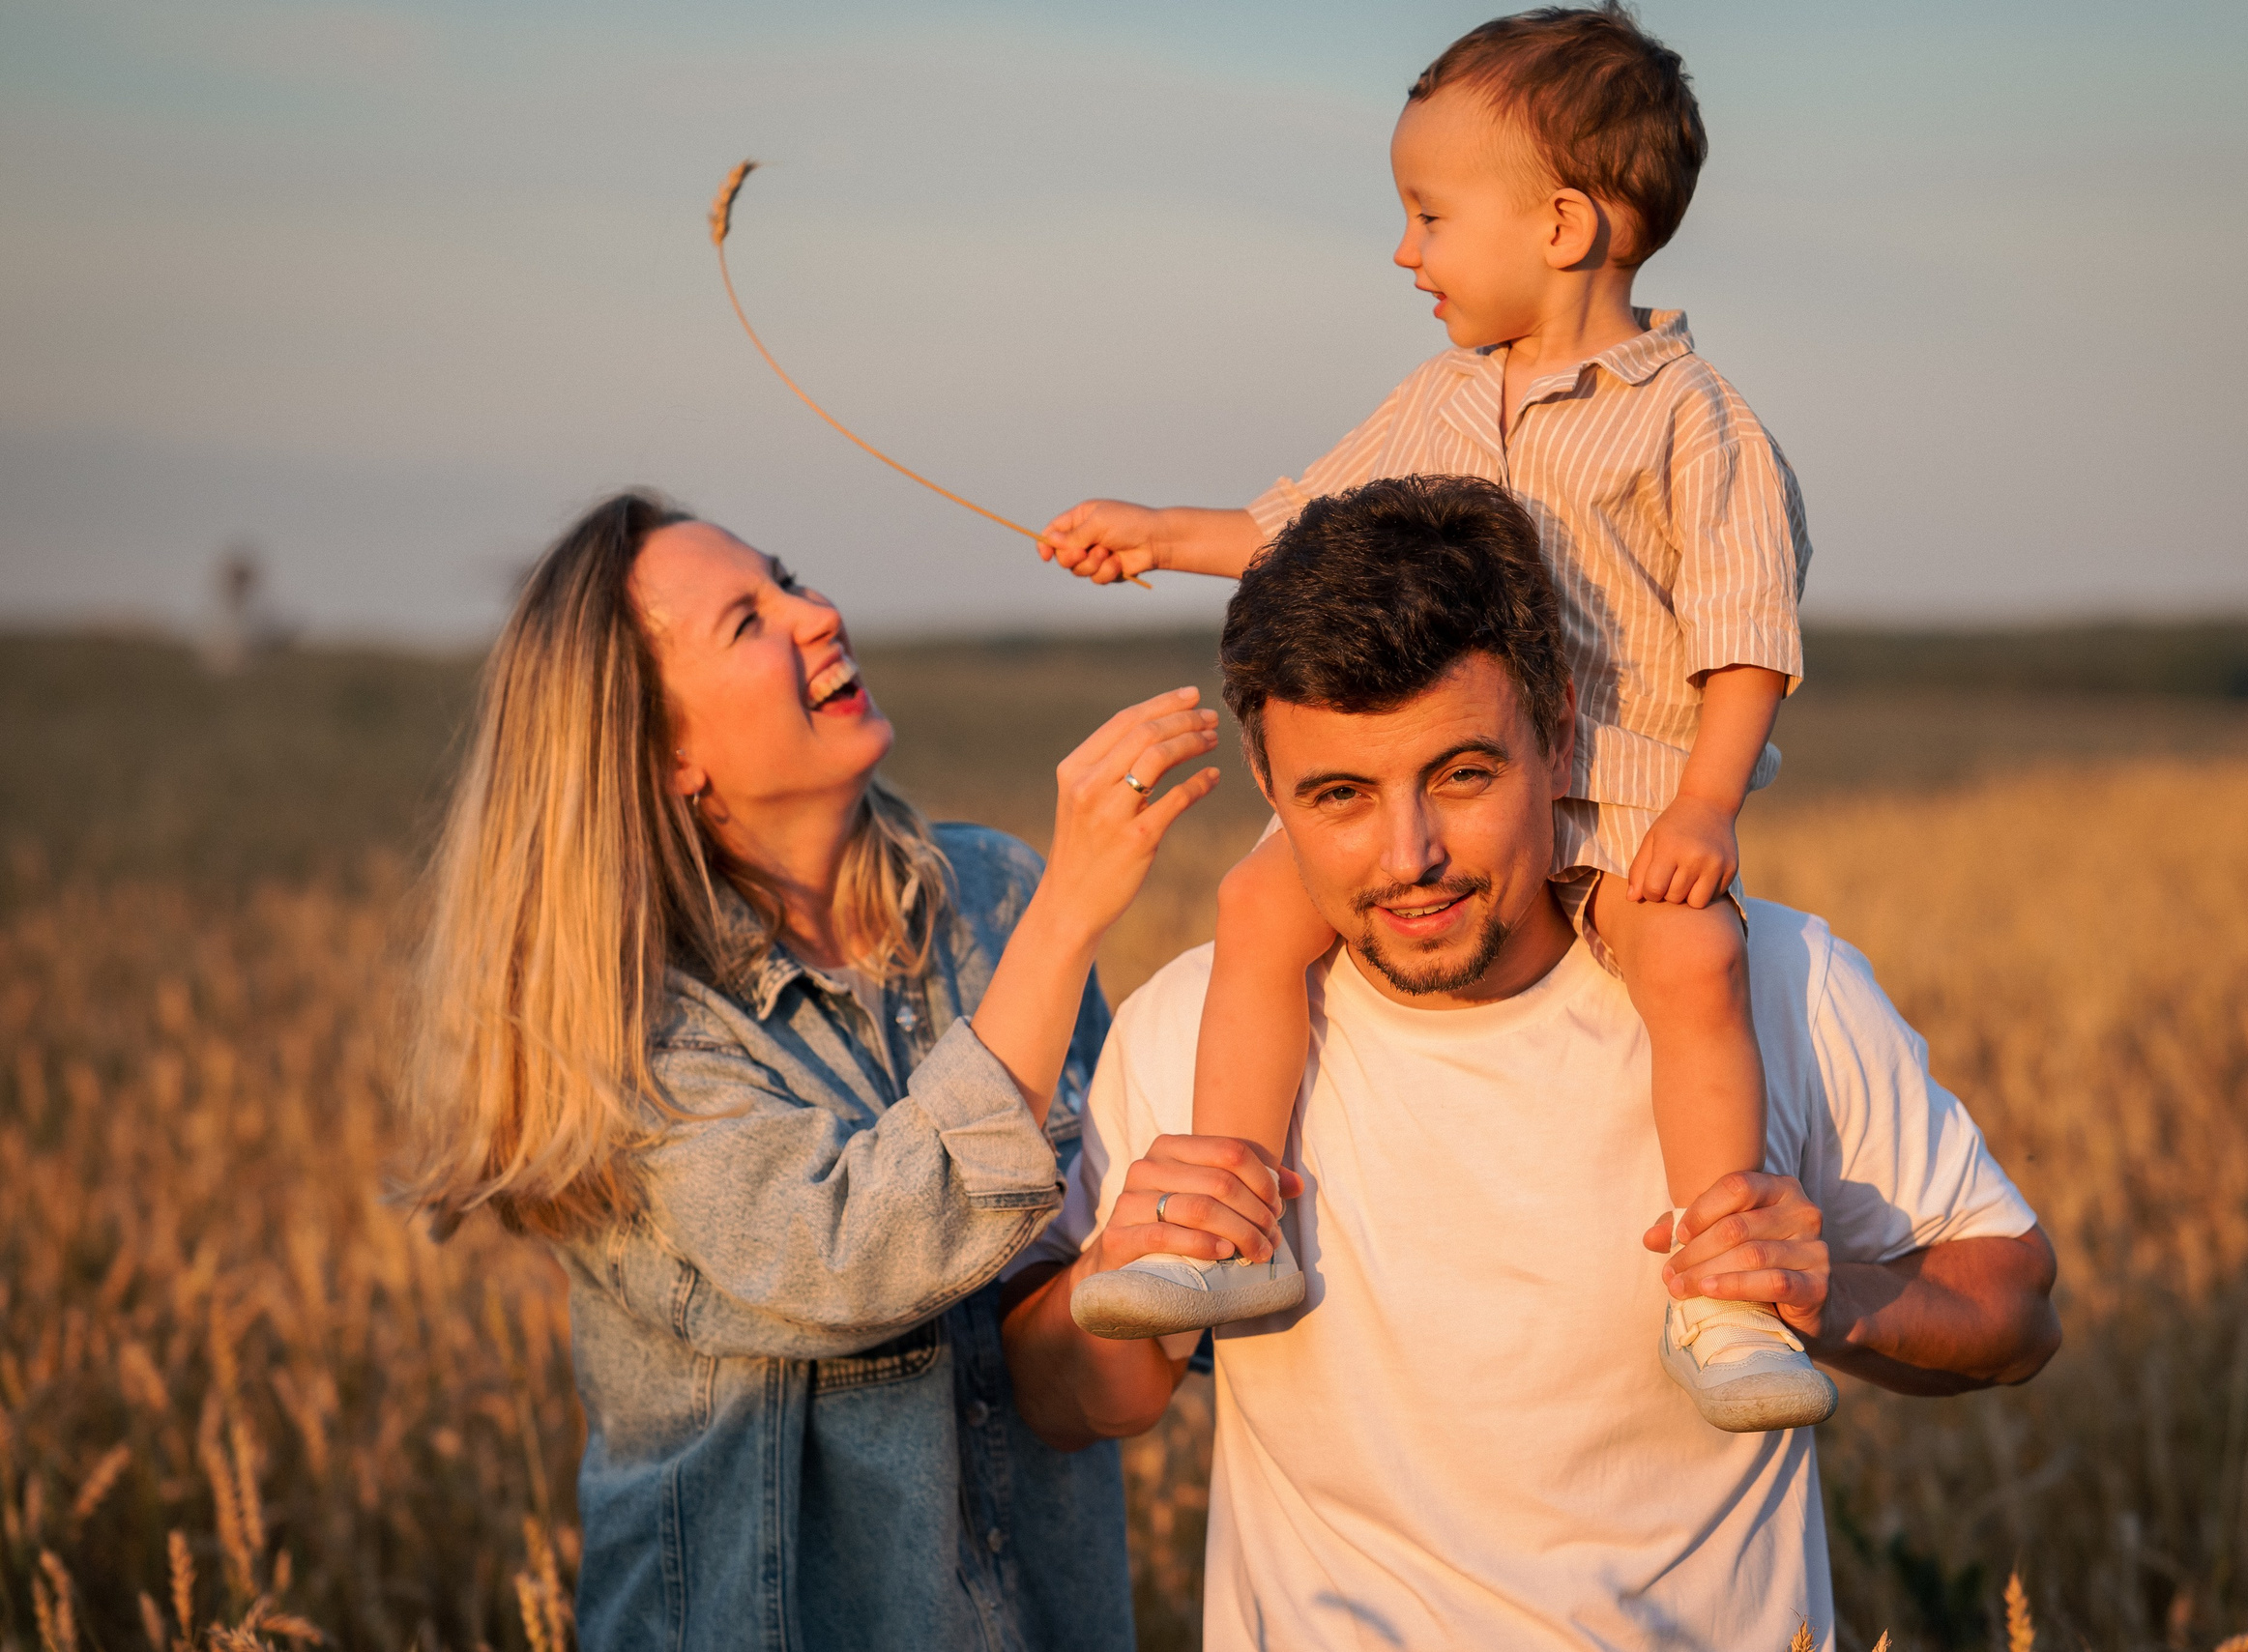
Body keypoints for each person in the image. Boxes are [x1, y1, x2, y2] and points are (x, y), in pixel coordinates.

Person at [1003, 476, 2059, 1647]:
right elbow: (1063, 1404)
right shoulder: (1190, 1025)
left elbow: (2016, 1315)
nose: (1409, 857)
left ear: (1558, 730)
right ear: (1266, 783)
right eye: (1339, 795)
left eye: (1461, 775)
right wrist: (1115, 1273)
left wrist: (1830, 1294)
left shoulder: (1774, 982)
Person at [1041, 4, 1825, 1428]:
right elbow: (1301, 524)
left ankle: (1724, 1289)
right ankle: (1236, 1219)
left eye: (1427, 215)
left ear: (1567, 225)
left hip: (1631, 795)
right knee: (1259, 905)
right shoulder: (1443, 399)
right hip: (1455, 786)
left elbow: (1745, 636)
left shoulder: (1694, 421)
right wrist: (1159, 530)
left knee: (1698, 963)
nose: (1406, 252)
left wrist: (1709, 807)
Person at [396, 491, 1223, 1649]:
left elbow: (1076, 1279)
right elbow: (846, 1259)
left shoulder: (992, 894)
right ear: (663, 751)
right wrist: (1071, 915)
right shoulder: (627, 1032)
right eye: (748, 620)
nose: (818, 611)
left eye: (789, 577)